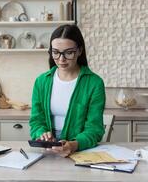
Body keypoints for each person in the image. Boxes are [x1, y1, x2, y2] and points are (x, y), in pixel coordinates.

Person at [29, 24, 105, 157]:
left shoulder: (94, 83)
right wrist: (42, 134)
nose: (61, 59)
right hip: (47, 150)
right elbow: (36, 121)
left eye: (69, 52)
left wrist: (74, 144)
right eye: (56, 52)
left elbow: (94, 129)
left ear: (80, 51)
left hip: (79, 149)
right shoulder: (41, 82)